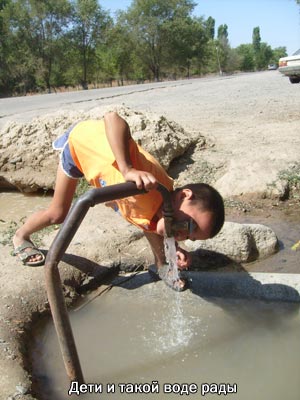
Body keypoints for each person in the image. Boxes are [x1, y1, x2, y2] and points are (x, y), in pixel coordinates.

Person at [13, 112, 224, 291]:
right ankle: (20, 236)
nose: (183, 234)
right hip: (81, 147)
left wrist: (173, 249)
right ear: (185, 195)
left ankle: (160, 266)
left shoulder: (164, 210)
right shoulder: (148, 181)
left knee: (151, 227)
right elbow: (112, 118)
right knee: (57, 215)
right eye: (190, 225)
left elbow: (152, 226)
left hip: (97, 169)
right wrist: (127, 168)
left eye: (190, 237)